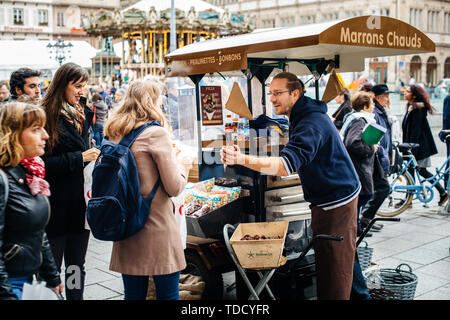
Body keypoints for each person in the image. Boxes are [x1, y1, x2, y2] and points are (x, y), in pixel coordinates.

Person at [221, 72, 361, 300]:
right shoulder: (302, 115)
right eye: (270, 93)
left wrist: (242, 159)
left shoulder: (311, 122)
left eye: (277, 93)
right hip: (333, 196)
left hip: (336, 201)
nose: (272, 99)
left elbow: (285, 166)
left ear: (295, 93)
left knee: (335, 268)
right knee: (340, 259)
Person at [105, 79, 192, 300]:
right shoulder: (155, 133)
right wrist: (184, 164)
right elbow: (174, 187)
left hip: (127, 225)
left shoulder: (115, 133)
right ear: (153, 101)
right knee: (168, 295)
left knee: (133, 295)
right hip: (156, 227)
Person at [40, 62, 100, 300]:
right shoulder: (45, 116)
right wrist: (79, 157)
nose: (81, 91)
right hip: (54, 206)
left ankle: (76, 297)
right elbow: (40, 165)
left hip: (79, 204)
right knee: (51, 267)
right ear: (61, 85)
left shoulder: (82, 114)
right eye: (77, 86)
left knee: (76, 265)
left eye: (83, 86)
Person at [0, 102, 63, 300]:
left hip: (28, 279)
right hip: (10, 283)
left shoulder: (29, 172)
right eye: (36, 129)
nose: (45, 135)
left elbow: (37, 230)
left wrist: (52, 277)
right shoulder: (3, 178)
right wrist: (7, 295)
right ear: (12, 134)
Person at [402, 84, 448, 206]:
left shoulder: (418, 109)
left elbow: (416, 130)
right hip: (414, 146)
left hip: (419, 146)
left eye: (407, 91)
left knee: (421, 170)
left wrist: (411, 148)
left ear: (414, 95)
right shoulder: (411, 107)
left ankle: (442, 193)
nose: (404, 93)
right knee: (413, 171)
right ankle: (409, 199)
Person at [342, 91, 378, 236]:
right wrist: (371, 148)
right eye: (372, 103)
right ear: (364, 106)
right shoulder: (359, 120)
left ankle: (356, 228)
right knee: (363, 196)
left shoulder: (357, 118)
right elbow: (352, 142)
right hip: (359, 166)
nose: (374, 106)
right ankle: (354, 228)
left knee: (361, 197)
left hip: (359, 166)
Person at [359, 84, 393, 231]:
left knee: (374, 190)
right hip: (375, 157)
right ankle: (364, 219)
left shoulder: (380, 111)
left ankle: (365, 219)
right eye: (386, 96)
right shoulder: (376, 114)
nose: (388, 99)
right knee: (381, 188)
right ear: (378, 97)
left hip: (379, 155)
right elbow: (373, 137)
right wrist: (378, 151)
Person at [439, 88, 450, 189]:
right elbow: (446, 117)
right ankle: (446, 188)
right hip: (449, 135)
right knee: (449, 163)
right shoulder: (448, 98)